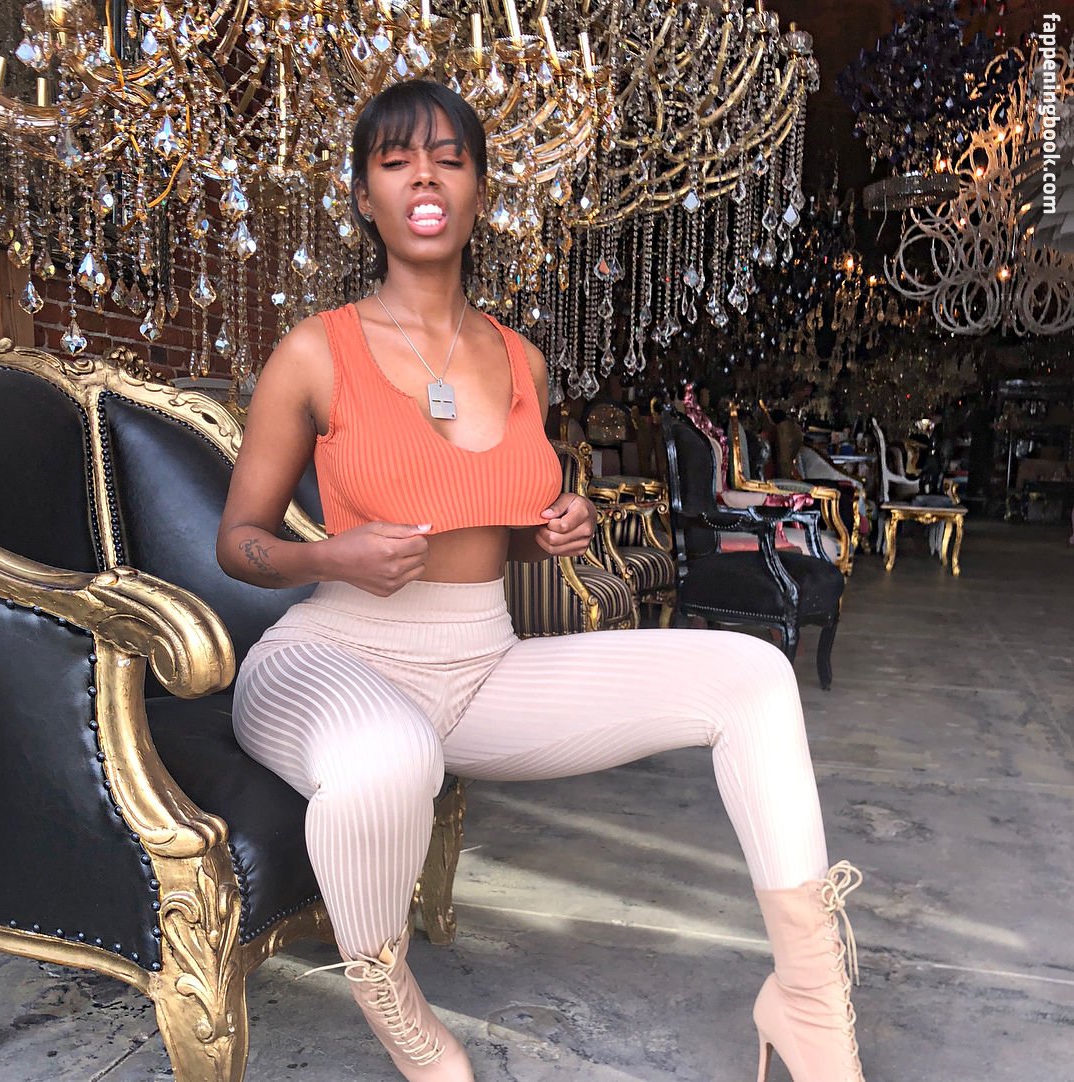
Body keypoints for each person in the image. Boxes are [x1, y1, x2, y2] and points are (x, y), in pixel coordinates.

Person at [216, 79, 867, 1082]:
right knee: (389, 758)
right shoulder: (317, 350)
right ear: (363, 196)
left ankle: (810, 1000)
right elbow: (238, 542)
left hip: (481, 665)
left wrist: (554, 527)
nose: (424, 178)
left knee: (753, 677)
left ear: (478, 192)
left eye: (449, 160)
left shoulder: (520, 360)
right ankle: (391, 999)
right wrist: (328, 556)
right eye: (395, 161)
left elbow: (498, 534)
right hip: (330, 656)